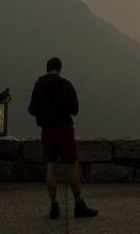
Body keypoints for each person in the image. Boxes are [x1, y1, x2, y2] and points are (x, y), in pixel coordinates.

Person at [28, 57, 98, 219]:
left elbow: (32, 109)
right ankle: (79, 204)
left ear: (47, 68)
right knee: (72, 165)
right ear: (60, 68)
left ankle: (54, 206)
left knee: (51, 167)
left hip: (46, 131)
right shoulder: (65, 85)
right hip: (64, 130)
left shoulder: (39, 85)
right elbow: (75, 109)